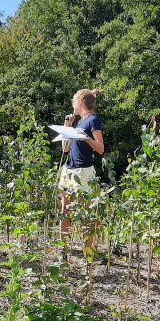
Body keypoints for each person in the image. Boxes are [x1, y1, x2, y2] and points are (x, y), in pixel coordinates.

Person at [58, 88, 105, 252]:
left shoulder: (93, 120)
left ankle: (87, 251)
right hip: (69, 170)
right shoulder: (78, 122)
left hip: (83, 172)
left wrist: (86, 137)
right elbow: (65, 150)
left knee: (86, 212)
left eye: (73, 102)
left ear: (80, 102)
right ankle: (63, 249)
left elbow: (100, 149)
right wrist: (67, 127)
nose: (73, 106)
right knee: (65, 209)